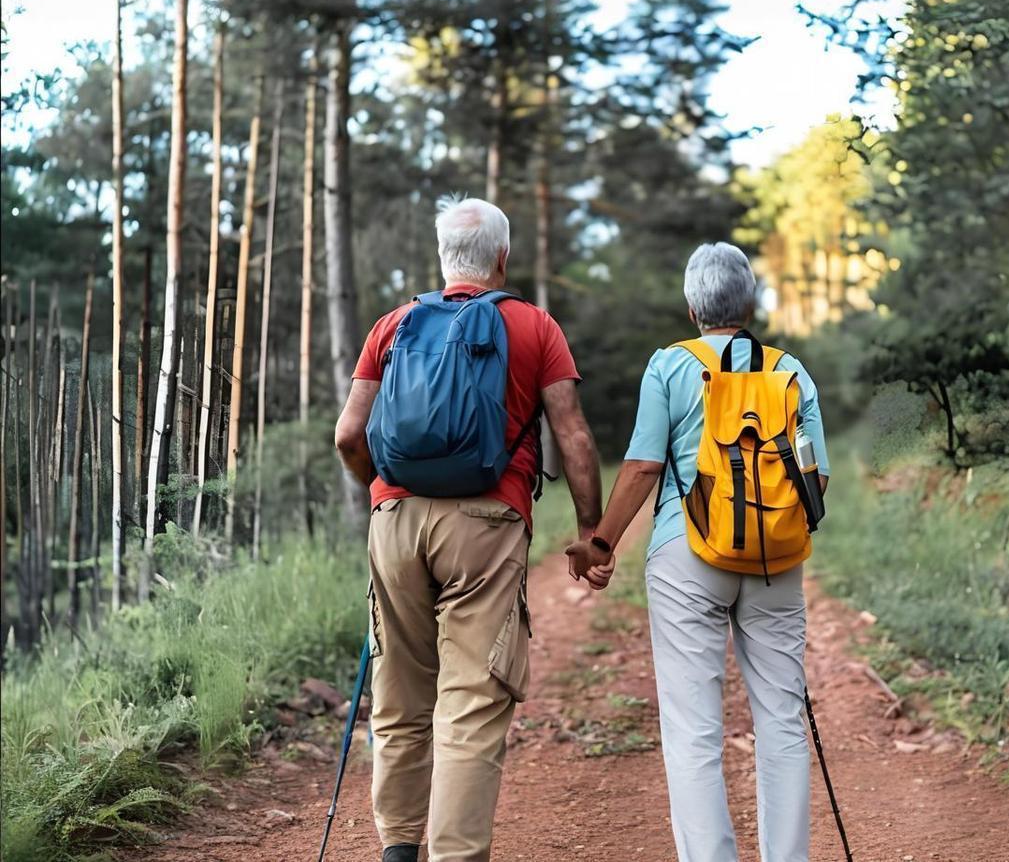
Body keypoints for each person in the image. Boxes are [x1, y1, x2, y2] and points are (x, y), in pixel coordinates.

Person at [335, 196, 608, 862]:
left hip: (395, 521)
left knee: (399, 696)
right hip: (487, 523)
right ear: (502, 258)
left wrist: (384, 495)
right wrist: (590, 532)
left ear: (444, 257)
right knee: (471, 701)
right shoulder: (535, 327)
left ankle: (399, 849)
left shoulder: (393, 325)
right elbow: (572, 435)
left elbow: (347, 435)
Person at [583, 242, 830, 862]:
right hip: (774, 558)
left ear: (694, 306)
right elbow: (816, 479)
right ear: (749, 303)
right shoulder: (790, 371)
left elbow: (643, 466)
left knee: (694, 730)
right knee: (780, 719)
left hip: (686, 553)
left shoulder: (671, 365)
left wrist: (602, 542)